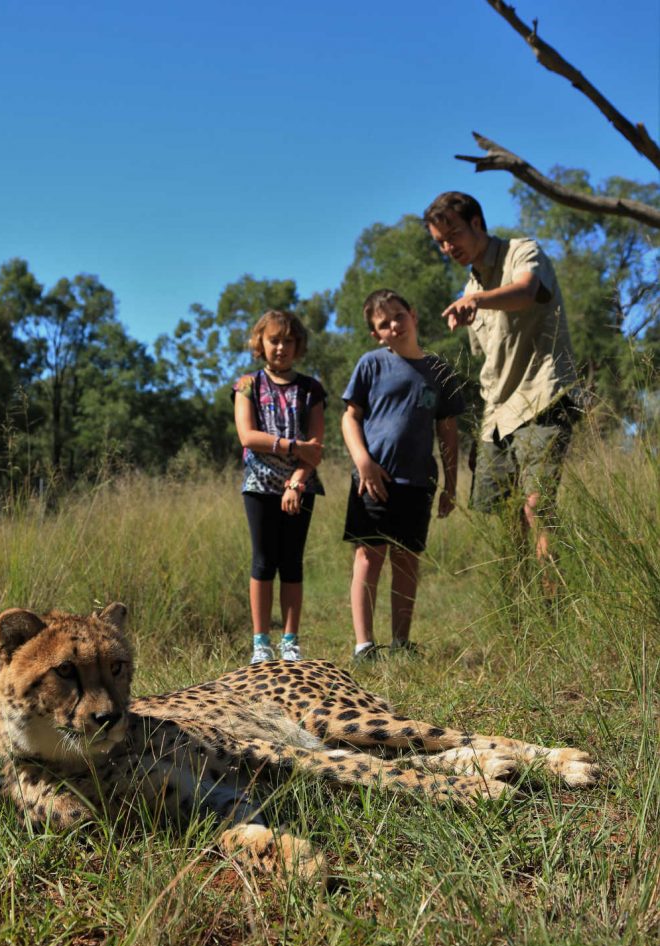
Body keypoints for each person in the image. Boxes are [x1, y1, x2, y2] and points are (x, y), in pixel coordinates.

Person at [423, 191, 580, 578]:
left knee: (536, 507)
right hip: (498, 416)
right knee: (507, 519)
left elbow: (526, 292)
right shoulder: (469, 290)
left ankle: (555, 612)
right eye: (440, 242)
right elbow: (490, 365)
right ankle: (521, 620)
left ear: (477, 223)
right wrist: (483, 432)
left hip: (542, 397)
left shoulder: (523, 251)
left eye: (454, 234)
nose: (448, 247)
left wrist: (478, 302)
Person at [342, 289, 463, 661]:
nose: (393, 326)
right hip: (373, 480)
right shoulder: (371, 364)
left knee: (407, 561)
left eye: (398, 316)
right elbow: (350, 417)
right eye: (383, 324)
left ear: (412, 314)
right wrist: (363, 461)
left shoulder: (439, 371)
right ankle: (364, 645)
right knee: (368, 557)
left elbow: (448, 431)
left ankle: (401, 643)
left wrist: (451, 485)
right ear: (376, 334)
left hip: (418, 482)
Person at [232, 310, 326, 664]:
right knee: (263, 561)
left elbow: (315, 447)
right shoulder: (247, 385)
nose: (281, 347)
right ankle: (261, 643)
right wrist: (290, 446)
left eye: (288, 340)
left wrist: (297, 481)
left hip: (299, 485)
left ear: (298, 345)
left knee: (292, 562)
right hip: (258, 485)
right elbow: (247, 435)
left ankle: (290, 641)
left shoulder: (311, 388)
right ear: (261, 343)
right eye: (274, 340)